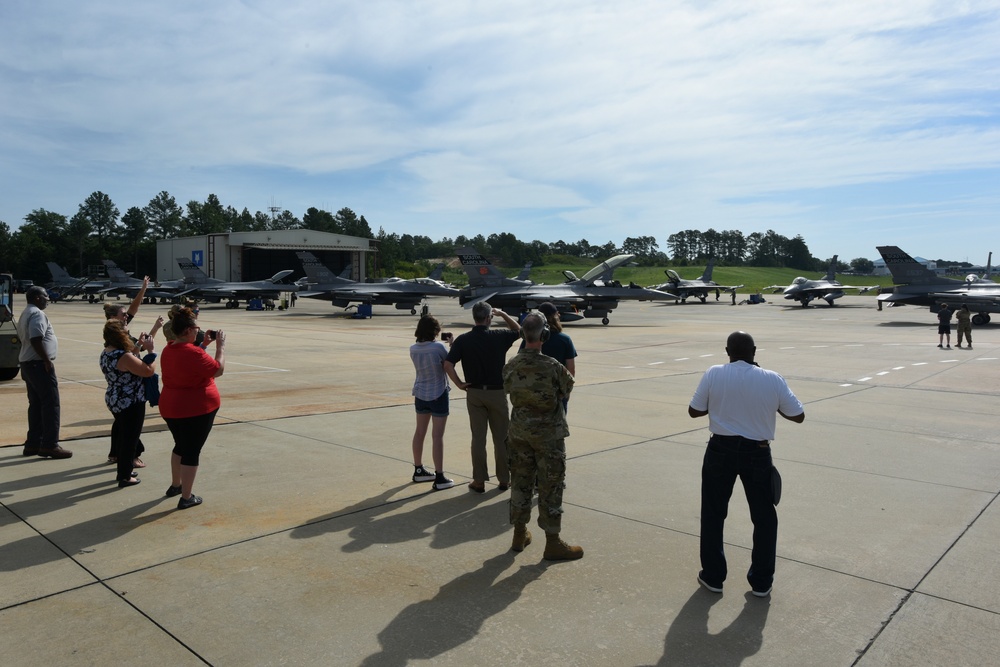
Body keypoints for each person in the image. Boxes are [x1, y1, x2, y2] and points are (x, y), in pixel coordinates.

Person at [688, 331, 804, 597]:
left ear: (727, 352)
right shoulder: (772, 378)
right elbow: (797, 415)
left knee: (714, 514)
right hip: (758, 453)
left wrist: (720, 405)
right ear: (755, 351)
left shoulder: (714, 373)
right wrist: (766, 404)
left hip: (720, 450)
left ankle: (714, 577)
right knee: (764, 517)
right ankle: (762, 581)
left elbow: (694, 411)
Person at [503, 312, 582, 561]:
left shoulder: (510, 365)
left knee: (520, 482)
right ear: (544, 335)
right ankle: (553, 542)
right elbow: (567, 389)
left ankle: (519, 534)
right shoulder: (552, 366)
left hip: (518, 433)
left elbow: (509, 390)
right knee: (550, 485)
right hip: (548, 436)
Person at [444, 302, 520, 493]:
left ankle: (479, 481)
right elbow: (519, 330)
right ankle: (504, 479)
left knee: (478, 438)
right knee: (502, 438)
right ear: (488, 318)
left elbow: (447, 364)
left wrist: (459, 384)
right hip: (497, 392)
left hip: (475, 392)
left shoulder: (463, 340)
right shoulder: (499, 336)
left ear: (474, 318)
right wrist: (503, 313)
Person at [159, 307, 226, 510]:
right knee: (191, 452)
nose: (198, 332)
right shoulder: (193, 352)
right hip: (195, 408)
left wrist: (203, 343)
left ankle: (176, 485)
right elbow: (217, 369)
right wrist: (220, 347)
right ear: (188, 330)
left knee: (180, 446)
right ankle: (186, 496)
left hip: (172, 406)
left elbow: (190, 362)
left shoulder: (169, 348)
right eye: (196, 329)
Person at [100, 320, 157, 487]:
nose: (128, 334)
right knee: (130, 439)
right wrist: (152, 351)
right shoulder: (123, 356)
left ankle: (125, 469)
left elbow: (131, 357)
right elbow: (147, 371)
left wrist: (139, 344)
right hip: (130, 401)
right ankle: (124, 476)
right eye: (126, 332)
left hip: (115, 398)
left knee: (125, 435)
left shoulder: (107, 352)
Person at [17, 286, 72, 459]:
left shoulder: (26, 312)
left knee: (36, 405)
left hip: (28, 363)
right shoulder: (37, 314)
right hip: (38, 365)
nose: (48, 299)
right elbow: (36, 338)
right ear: (37, 298)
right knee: (51, 404)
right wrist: (47, 360)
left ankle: (33, 443)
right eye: (45, 296)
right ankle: (50, 445)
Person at [409, 315, 455, 490]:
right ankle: (440, 476)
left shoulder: (413, 348)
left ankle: (418, 469)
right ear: (435, 331)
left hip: (420, 393)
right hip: (438, 393)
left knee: (419, 432)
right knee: (437, 436)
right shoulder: (438, 347)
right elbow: (448, 364)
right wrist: (452, 345)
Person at [519, 302, 577, 411]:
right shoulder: (565, 340)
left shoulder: (529, 338)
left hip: (532, 391)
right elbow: (571, 369)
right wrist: (567, 391)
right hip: (556, 394)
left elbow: (522, 362)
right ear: (555, 316)